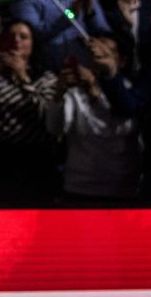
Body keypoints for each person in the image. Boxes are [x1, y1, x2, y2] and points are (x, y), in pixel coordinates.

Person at [0, 20, 61, 203]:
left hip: (36, 162)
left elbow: (47, 116)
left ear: (33, 44)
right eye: (10, 36)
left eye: (23, 37)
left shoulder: (47, 79)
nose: (16, 41)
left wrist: (23, 79)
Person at [48, 35, 141, 201]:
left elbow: (122, 129)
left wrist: (96, 95)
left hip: (120, 187)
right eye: (96, 52)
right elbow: (55, 128)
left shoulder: (131, 91)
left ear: (122, 61)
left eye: (108, 52)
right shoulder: (75, 91)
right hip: (79, 187)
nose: (100, 56)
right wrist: (59, 95)